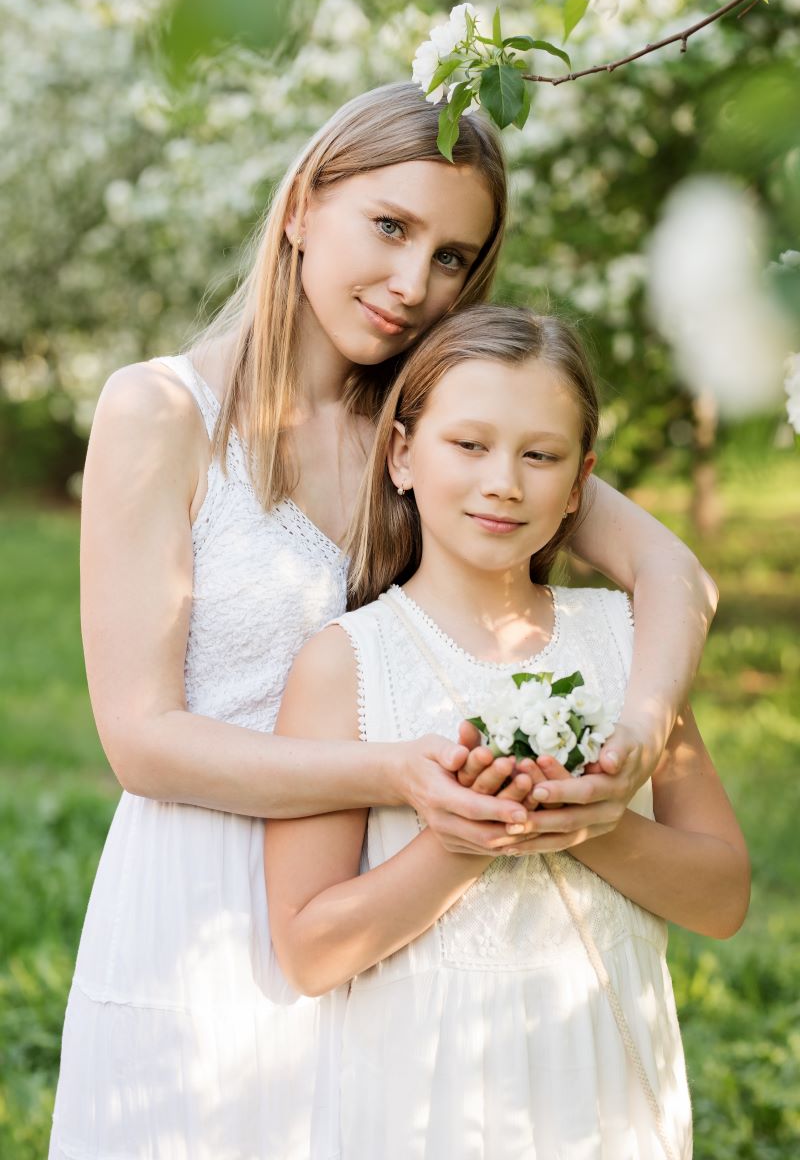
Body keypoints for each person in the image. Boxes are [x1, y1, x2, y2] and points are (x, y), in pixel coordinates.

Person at [50, 85, 717, 1159]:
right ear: (303, 206)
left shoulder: (433, 430)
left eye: (453, 256)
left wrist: (640, 723)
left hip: (388, 907)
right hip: (205, 904)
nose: (414, 284)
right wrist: (401, 773)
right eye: (390, 227)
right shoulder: (162, 412)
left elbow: (674, 575)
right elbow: (140, 739)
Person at [265, 304, 749, 1159]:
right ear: (403, 455)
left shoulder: (630, 645)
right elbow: (308, 951)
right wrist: (469, 838)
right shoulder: (346, 664)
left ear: (579, 483)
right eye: (470, 445)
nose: (504, 482)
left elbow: (723, 898)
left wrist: (593, 826)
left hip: (600, 1078)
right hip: (425, 1091)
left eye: (540, 455)